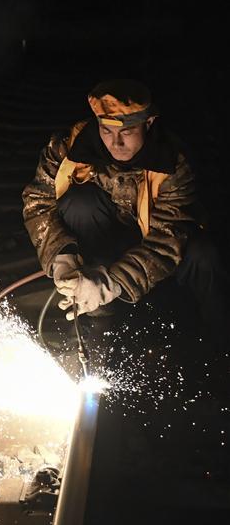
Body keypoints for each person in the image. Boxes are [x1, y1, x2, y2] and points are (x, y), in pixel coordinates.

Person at [22, 79, 227, 339]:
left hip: (155, 246)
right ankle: (98, 312)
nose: (116, 142)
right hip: (102, 241)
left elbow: (168, 239)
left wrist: (114, 283)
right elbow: (37, 201)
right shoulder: (68, 146)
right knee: (80, 203)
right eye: (107, 131)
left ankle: (218, 336)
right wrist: (62, 256)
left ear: (148, 123)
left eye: (127, 132)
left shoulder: (173, 162)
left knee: (204, 255)